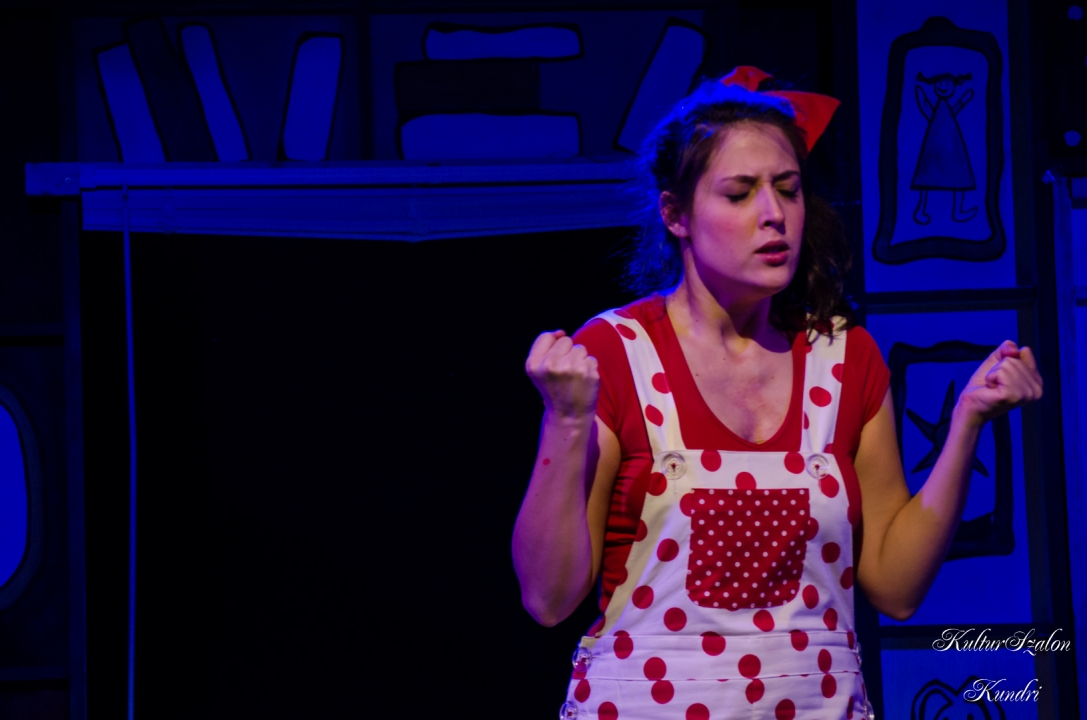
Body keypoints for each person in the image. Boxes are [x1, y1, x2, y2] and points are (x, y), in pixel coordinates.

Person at [511, 67, 1042, 719]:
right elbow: (548, 597)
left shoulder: (844, 358)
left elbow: (896, 587)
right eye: (739, 194)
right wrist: (565, 423)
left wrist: (966, 423)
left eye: (787, 190)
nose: (773, 215)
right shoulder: (617, 352)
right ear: (675, 215)